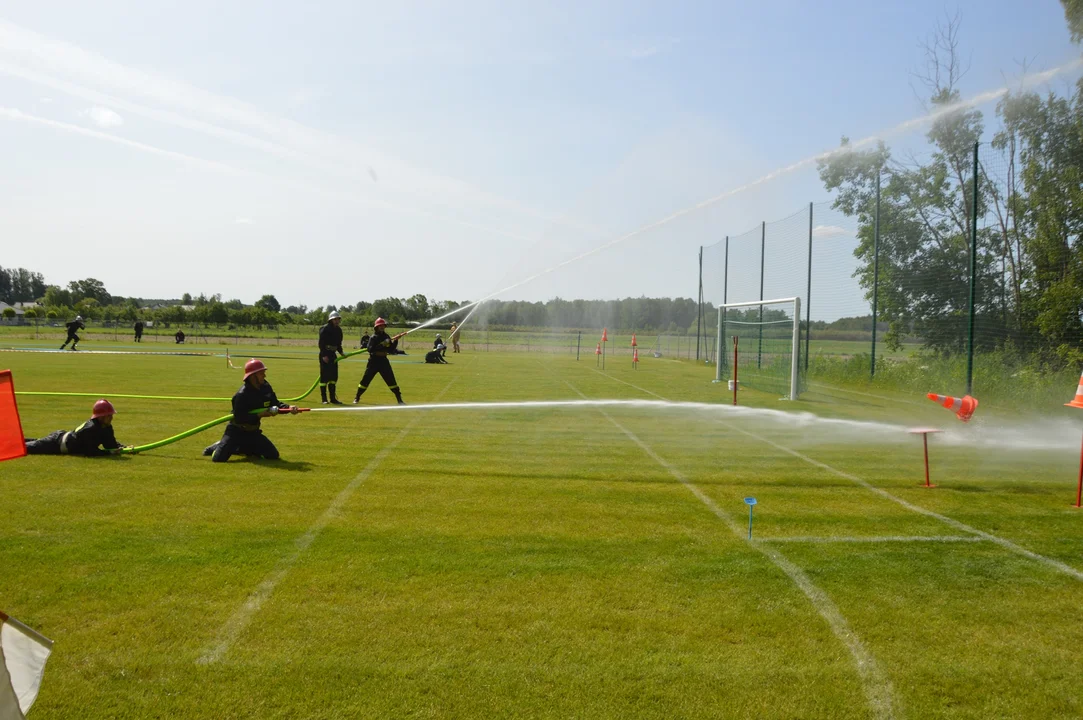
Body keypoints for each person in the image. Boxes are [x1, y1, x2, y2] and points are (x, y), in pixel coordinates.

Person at [203, 358, 300, 462]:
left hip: (253, 432)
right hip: (236, 432)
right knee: (219, 459)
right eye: (261, 373)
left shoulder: (266, 387)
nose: (264, 376)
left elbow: (275, 404)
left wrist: (289, 408)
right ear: (253, 376)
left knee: (273, 455)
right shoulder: (241, 395)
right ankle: (219, 445)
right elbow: (239, 418)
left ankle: (240, 448)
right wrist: (259, 415)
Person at [24, 399, 134, 455]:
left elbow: (111, 445)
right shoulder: (90, 429)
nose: (111, 417)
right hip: (56, 443)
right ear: (100, 417)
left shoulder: (106, 427)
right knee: (24, 448)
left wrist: (126, 448)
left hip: (60, 438)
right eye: (108, 415)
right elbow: (89, 452)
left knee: (34, 443)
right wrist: (109, 453)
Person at [353, 317, 405, 405]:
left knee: (391, 380)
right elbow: (370, 349)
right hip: (373, 361)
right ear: (376, 327)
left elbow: (391, 350)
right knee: (366, 380)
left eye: (383, 325)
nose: (381, 327)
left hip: (383, 361)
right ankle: (357, 397)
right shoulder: (373, 337)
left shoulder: (386, 336)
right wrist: (382, 344)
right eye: (380, 325)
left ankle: (399, 400)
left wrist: (395, 341)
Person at [318, 310, 346, 404]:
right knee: (324, 378)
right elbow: (321, 343)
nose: (337, 321)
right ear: (331, 320)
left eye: (338, 319)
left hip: (333, 355)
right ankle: (324, 399)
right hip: (325, 354)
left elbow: (338, 344)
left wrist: (341, 352)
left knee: (333, 378)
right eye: (335, 319)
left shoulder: (338, 330)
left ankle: (333, 399)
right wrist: (324, 355)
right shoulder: (325, 329)